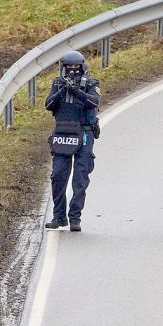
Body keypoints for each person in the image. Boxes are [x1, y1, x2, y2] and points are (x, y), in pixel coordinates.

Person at [44, 50, 100, 232]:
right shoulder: (57, 83)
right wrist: (62, 91)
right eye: (69, 67)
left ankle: (75, 217)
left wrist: (78, 92)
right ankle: (59, 216)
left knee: (80, 178)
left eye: (76, 67)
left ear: (82, 67)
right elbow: (48, 104)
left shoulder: (91, 83)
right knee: (58, 176)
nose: (73, 71)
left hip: (84, 134)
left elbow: (94, 102)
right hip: (63, 133)